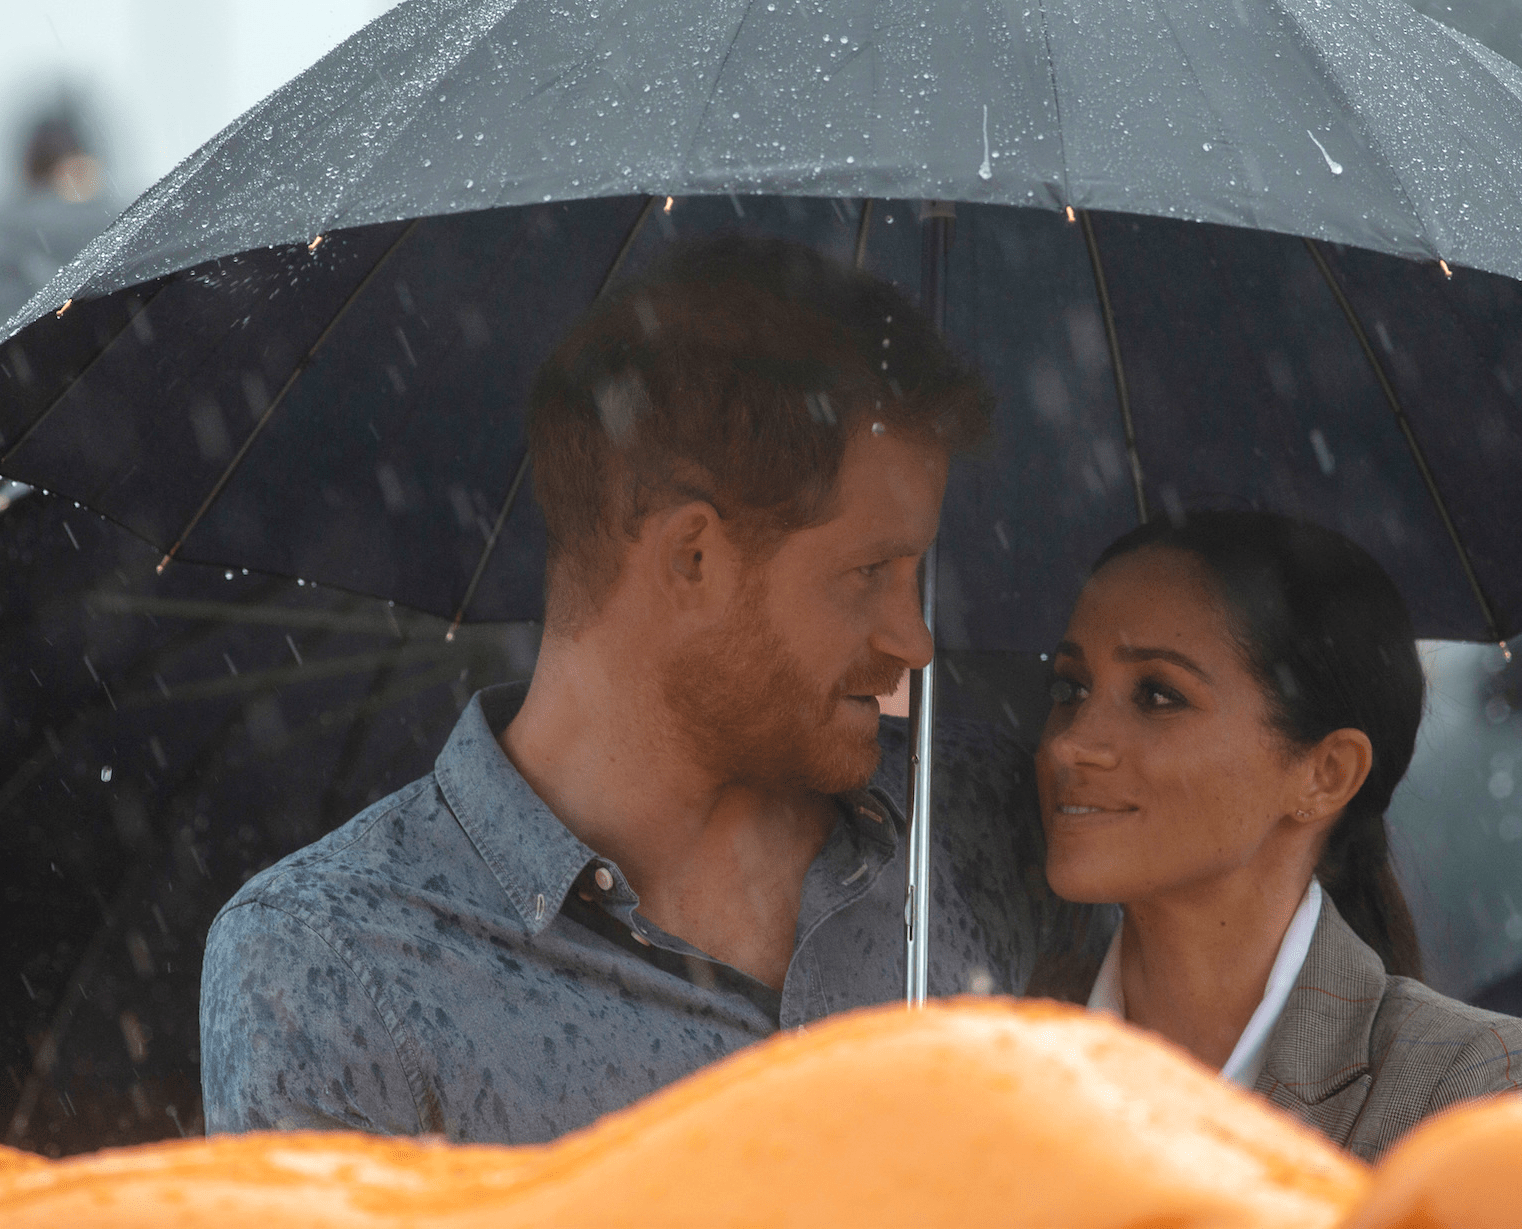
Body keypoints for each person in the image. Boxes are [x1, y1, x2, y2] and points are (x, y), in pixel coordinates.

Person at [199, 236, 1107, 1141]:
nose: (913, 638)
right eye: (869, 572)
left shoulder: (985, 818)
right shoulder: (332, 961)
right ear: (693, 558)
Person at [1036, 511, 1522, 1161]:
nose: (1070, 745)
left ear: (1326, 774)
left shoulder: (1479, 1089)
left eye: (1158, 696)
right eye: (1071, 688)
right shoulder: (977, 1047)